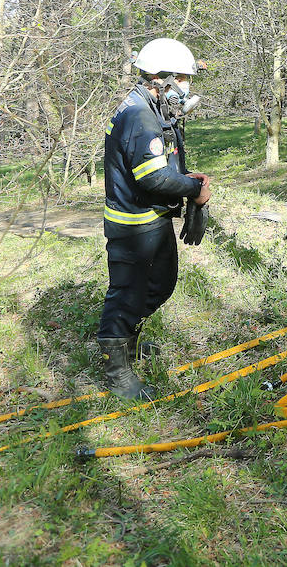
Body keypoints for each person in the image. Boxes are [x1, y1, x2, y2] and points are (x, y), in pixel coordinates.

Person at [98, 38, 211, 398]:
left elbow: (166, 164)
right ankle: (117, 370)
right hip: (134, 225)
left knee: (159, 284)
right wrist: (193, 191)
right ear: (162, 79)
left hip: (151, 217)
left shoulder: (151, 108)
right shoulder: (140, 117)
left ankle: (129, 343)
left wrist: (189, 180)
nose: (187, 87)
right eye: (183, 78)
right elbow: (152, 176)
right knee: (128, 294)